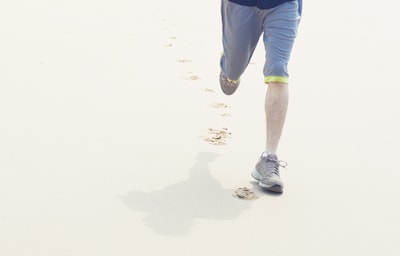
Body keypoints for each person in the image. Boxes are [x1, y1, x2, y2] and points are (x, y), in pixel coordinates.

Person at [219, 0, 302, 193]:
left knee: (278, 70)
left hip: (284, 4)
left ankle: (269, 157)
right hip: (240, 4)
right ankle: (229, 70)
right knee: (233, 69)